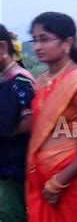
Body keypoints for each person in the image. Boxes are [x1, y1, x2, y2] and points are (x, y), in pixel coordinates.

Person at [26, 12, 77, 222]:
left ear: (68, 42)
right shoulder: (42, 79)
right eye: (35, 40)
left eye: (44, 39)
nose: (37, 47)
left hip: (72, 183)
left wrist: (60, 181)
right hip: (42, 179)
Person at [0, 24, 34, 221]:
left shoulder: (19, 82)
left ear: (3, 48)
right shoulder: (10, 80)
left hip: (12, 170)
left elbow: (30, 120)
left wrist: (9, 132)